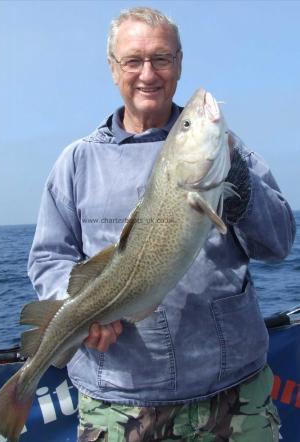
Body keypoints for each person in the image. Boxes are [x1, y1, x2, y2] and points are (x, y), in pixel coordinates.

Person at [28, 7, 296, 441]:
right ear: (113, 68)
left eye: (162, 59)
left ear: (179, 64)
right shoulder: (76, 162)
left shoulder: (228, 151)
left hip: (234, 393)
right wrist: (79, 308)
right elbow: (49, 258)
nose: (147, 74)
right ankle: (17, 392)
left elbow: (279, 243)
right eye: (133, 60)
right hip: (119, 401)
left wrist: (237, 178)